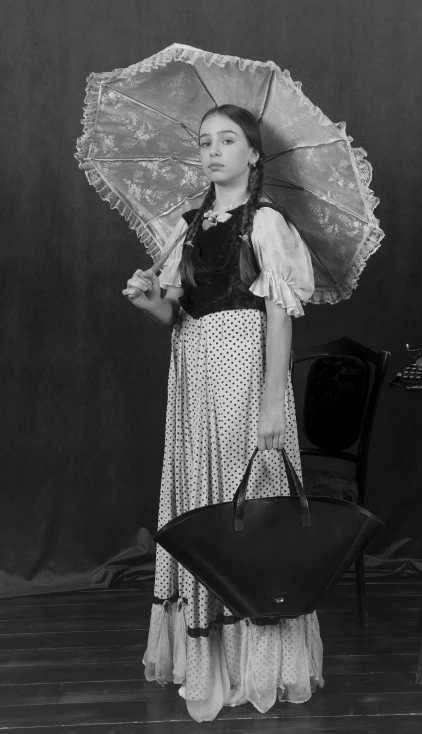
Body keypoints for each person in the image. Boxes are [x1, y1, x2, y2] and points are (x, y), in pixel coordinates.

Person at [122, 104, 324, 723]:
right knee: (199, 498)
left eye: (228, 140)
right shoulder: (188, 229)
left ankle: (258, 662)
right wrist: (150, 299)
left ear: (253, 154)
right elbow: (177, 316)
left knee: (246, 506)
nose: (213, 151)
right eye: (206, 142)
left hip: (244, 375)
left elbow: (280, 319)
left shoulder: (264, 223)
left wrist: (271, 400)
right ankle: (207, 659)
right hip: (194, 374)